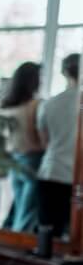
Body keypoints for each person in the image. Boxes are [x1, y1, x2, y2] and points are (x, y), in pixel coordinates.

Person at [0, 62, 45, 233]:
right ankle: (18, 252)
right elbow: (40, 137)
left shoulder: (6, 105)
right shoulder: (36, 105)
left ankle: (14, 247)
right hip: (32, 160)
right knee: (26, 213)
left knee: (20, 207)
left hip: (14, 160)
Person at [37, 53, 80, 238]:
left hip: (51, 170)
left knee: (47, 232)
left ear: (64, 72)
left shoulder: (49, 104)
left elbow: (44, 142)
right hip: (77, 176)